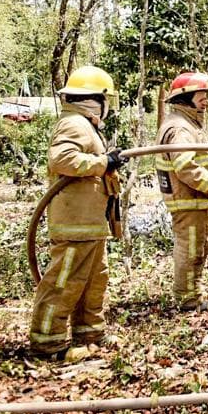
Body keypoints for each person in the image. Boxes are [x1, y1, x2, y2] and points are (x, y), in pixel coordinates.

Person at [29, 65, 126, 361]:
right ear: (95, 99)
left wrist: (106, 162)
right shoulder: (74, 123)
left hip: (91, 221)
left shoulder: (85, 124)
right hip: (75, 222)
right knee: (65, 280)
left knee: (95, 279)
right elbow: (62, 159)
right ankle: (48, 343)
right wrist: (103, 163)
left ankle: (90, 333)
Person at [154, 72, 208, 313]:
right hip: (188, 199)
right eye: (201, 96)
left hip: (196, 199)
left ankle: (193, 292)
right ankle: (187, 300)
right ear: (185, 98)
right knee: (191, 248)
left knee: (203, 244)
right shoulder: (179, 128)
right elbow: (184, 166)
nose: (206, 101)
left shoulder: (188, 123)